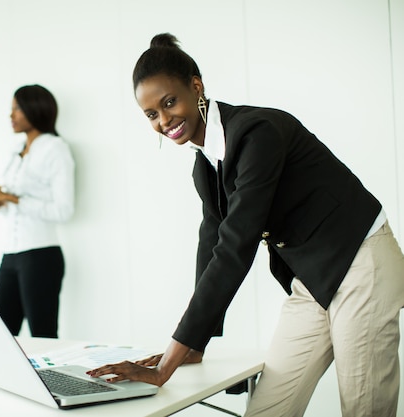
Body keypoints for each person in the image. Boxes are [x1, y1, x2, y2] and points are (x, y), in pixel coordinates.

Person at [87, 33, 404, 417]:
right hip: (315, 278)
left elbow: (236, 246)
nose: (164, 120)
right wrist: (194, 346)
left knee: (363, 408)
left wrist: (165, 366)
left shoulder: (257, 133)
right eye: (151, 114)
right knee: (268, 408)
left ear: (196, 87)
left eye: (169, 102)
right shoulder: (204, 166)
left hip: (360, 263)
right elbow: (212, 246)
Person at [0, 84, 75, 338]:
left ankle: (51, 380)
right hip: (11, 255)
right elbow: (10, 207)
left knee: (43, 337)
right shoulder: (16, 152)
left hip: (41, 255)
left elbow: (64, 210)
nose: (11, 115)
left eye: (17, 108)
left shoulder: (55, 148)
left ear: (35, 109)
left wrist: (13, 199)